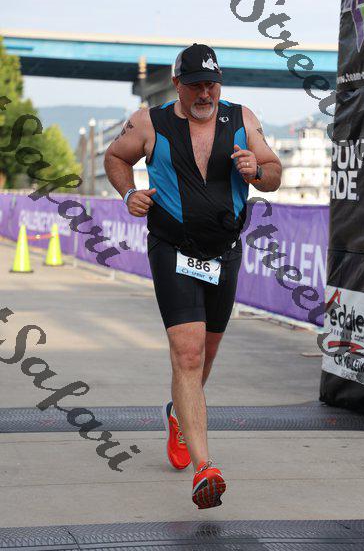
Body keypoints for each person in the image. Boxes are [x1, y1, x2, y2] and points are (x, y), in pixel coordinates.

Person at [104, 43, 282, 509]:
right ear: (177, 84)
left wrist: (257, 171)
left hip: (224, 252)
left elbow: (274, 172)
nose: (205, 93)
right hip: (172, 248)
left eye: (212, 84)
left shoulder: (242, 119)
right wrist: (128, 194)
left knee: (206, 355)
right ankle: (206, 467)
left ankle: (178, 416)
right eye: (196, 84)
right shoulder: (149, 122)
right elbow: (115, 157)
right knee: (187, 352)